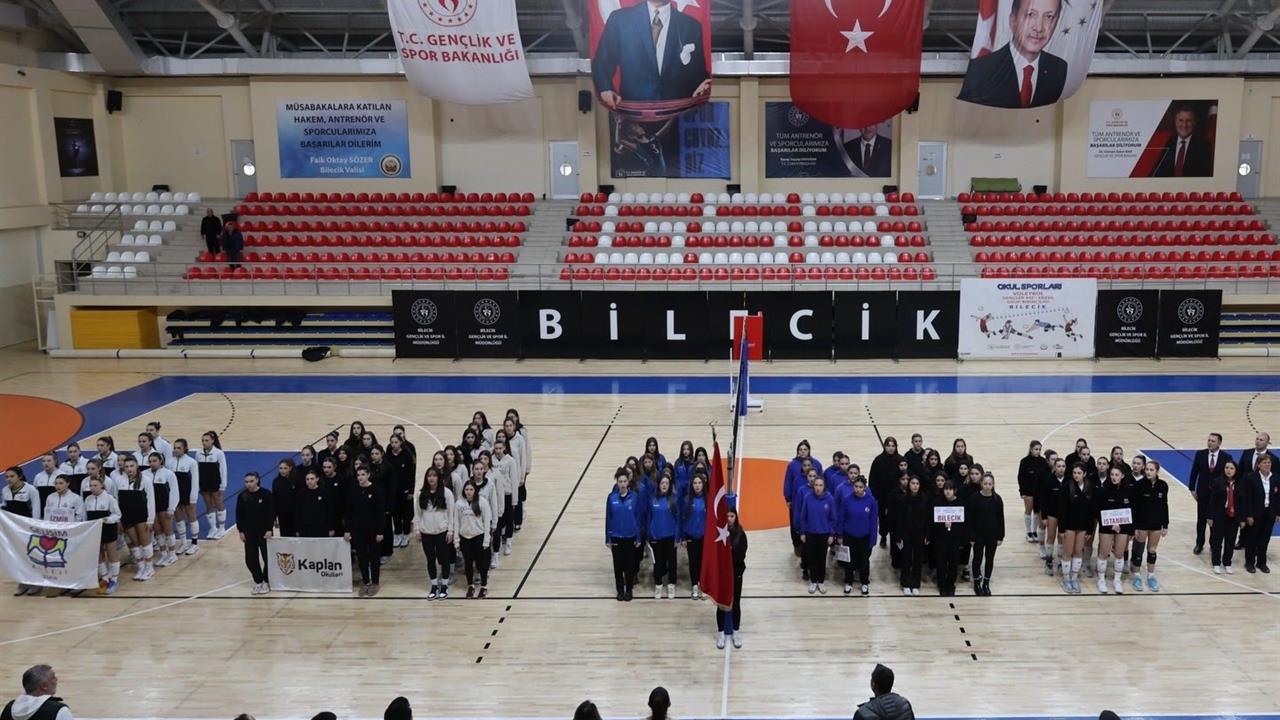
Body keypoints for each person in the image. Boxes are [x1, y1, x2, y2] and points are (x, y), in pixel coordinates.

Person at [591, 0, 711, 111]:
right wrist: (605, 88)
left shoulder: (691, 26)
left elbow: (698, 74)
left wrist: (703, 84)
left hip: (677, 113)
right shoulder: (620, 20)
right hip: (630, 111)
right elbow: (602, 62)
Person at [958, 0, 1067, 109]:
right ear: (1013, 20)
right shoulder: (983, 69)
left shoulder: (1059, 68)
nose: (1039, 28)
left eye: (1049, 17)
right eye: (1031, 14)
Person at [415, 467, 455, 600]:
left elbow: (451, 513)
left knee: (444, 559)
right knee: (430, 559)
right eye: (429, 476)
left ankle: (444, 585)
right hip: (426, 532)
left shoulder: (447, 493)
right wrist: (417, 530)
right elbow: (417, 514)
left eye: (434, 475)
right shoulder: (420, 494)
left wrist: (450, 531)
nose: (431, 478)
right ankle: (433, 586)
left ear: (438, 478)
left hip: (442, 532)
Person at [1130, 459, 1170, 590]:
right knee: (1139, 550)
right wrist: (1134, 526)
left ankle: (1151, 576)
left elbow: (1164, 505)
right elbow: (1134, 507)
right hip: (1142, 524)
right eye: (1147, 469)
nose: (1148, 472)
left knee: (1152, 550)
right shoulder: (1139, 485)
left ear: (1157, 471)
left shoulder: (1163, 485)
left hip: (1156, 524)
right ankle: (1136, 575)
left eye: (1151, 470)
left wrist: (1165, 524)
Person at [347, 466, 386, 597]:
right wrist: (348, 530)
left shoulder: (376, 490)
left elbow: (380, 513)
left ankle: (375, 582)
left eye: (363, 474)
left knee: (374, 556)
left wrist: (380, 531)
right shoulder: (353, 490)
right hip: (358, 530)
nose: (360, 477)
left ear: (368, 475)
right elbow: (350, 512)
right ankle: (366, 581)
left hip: (373, 530)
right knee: (361, 556)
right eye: (358, 475)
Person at [836, 475, 878, 596]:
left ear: (865, 487)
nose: (858, 489)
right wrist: (840, 535)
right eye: (856, 486)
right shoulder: (847, 500)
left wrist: (873, 539)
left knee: (864, 561)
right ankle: (848, 582)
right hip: (849, 536)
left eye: (860, 487)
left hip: (865, 537)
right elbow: (841, 518)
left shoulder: (871, 501)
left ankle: (864, 582)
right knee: (849, 561)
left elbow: (874, 521)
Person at [1094, 467, 1133, 595]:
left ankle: (1117, 580)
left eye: (1117, 475)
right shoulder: (1103, 491)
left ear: (1122, 476)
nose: (1114, 477)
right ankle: (1101, 579)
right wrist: (1111, 523)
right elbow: (1098, 510)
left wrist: (1130, 529)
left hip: (1123, 527)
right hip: (1106, 527)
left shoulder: (1128, 491)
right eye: (1112, 474)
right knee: (1104, 553)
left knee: (1119, 554)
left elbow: (1131, 511)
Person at [116, 457, 156, 582]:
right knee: (134, 543)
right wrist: (118, 519)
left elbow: (151, 500)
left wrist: (150, 519)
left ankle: (149, 568)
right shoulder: (119, 481)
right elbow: (116, 501)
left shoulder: (145, 480)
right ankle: (141, 567)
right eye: (126, 467)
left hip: (141, 515)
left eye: (131, 466)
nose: (129, 469)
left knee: (145, 542)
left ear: (137, 466)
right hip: (126, 516)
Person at [235, 472, 274, 595]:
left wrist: (269, 529)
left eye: (251, 481)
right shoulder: (242, 496)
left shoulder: (266, 494)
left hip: (264, 531)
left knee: (267, 557)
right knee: (250, 558)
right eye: (246, 482)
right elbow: (239, 514)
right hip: (249, 532)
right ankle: (258, 581)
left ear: (257, 480)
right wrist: (241, 531)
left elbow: (271, 513)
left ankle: (266, 581)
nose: (249, 484)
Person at [606, 468, 641, 601]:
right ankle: (620, 590)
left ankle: (629, 590)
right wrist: (608, 538)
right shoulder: (611, 498)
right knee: (618, 566)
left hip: (630, 537)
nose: (622, 484)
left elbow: (638, 518)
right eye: (620, 481)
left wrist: (638, 537)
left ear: (628, 482)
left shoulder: (634, 497)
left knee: (629, 566)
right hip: (616, 537)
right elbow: (608, 518)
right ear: (617, 482)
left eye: (624, 481)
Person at [1189, 432, 1226, 555]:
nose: (1210, 443)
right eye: (1209, 440)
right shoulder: (1200, 454)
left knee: (1215, 520)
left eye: (1213, 441)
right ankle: (1199, 543)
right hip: (1202, 493)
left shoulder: (1226, 457)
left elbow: (1228, 475)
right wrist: (1192, 488)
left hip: (1217, 494)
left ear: (1219, 443)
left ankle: (1213, 544)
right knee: (1201, 520)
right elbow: (1194, 471)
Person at [715, 506, 747, 649]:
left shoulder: (741, 534)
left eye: (732, 516)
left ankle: (736, 632)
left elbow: (742, 554)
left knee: (736, 602)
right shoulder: (719, 533)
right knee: (721, 603)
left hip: (736, 572)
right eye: (727, 516)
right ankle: (721, 633)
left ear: (736, 517)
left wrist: (730, 553)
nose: (729, 519)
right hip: (722, 573)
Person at [799, 475, 837, 594]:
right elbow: (803, 517)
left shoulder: (829, 499)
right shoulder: (808, 498)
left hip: (824, 534)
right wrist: (803, 532)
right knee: (812, 558)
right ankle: (813, 581)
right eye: (816, 485)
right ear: (813, 486)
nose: (818, 488)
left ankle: (821, 581)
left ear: (824, 486)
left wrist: (831, 534)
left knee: (821, 558)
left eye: (820, 485)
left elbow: (833, 518)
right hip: (810, 533)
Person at [967, 472, 1004, 595]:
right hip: (978, 534)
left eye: (990, 484)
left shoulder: (997, 499)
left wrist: (1000, 536)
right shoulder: (974, 498)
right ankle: (977, 581)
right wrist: (971, 536)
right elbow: (970, 519)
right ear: (981, 484)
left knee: (989, 559)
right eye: (985, 483)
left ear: (993, 485)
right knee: (977, 558)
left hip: (992, 534)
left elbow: (1000, 518)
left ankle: (986, 583)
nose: (987, 486)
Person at [454, 480, 492, 599]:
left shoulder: (482, 502)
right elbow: (456, 522)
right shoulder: (459, 504)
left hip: (478, 536)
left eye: (471, 489)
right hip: (465, 538)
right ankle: (470, 585)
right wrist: (456, 540)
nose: (469, 492)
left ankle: (484, 586)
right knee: (468, 563)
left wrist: (486, 540)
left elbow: (487, 522)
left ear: (475, 490)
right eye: (466, 489)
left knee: (481, 563)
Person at [1152, 106, 1214, 178]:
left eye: (1188, 121)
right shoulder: (1166, 143)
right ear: (1175, 122)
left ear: (1194, 123)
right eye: (1181, 120)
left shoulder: (1203, 146)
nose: (1184, 125)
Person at [930, 481, 967, 596]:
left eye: (950, 489)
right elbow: (933, 522)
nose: (947, 491)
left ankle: (950, 584)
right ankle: (941, 584)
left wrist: (955, 528)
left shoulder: (961, 503)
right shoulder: (937, 503)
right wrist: (943, 525)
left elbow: (964, 523)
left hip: (955, 539)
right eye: (946, 489)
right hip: (941, 538)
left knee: (953, 563)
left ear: (954, 490)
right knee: (941, 562)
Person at [895, 476, 931, 596]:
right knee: (905, 558)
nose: (915, 486)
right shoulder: (903, 499)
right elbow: (899, 519)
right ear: (909, 485)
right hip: (906, 533)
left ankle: (915, 584)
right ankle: (905, 583)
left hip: (920, 533)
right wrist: (898, 536)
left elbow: (928, 519)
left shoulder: (925, 499)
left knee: (918, 559)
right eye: (913, 483)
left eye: (917, 483)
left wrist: (927, 534)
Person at [1242, 454, 1276, 574]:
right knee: (1252, 539)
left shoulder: (1275, 478)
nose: (1267, 465)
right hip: (1255, 514)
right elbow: (1247, 498)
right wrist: (1249, 515)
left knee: (1265, 539)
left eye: (1269, 462)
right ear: (1258, 465)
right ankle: (1249, 562)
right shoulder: (1250, 478)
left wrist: (1277, 513)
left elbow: (1278, 497)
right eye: (1264, 462)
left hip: (1269, 514)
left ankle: (1261, 563)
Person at [1207, 459, 1242, 574]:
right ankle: (1216, 563)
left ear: (1236, 470)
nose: (1229, 470)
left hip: (1234, 517)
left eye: (1231, 468)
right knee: (1217, 541)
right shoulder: (1217, 482)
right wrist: (1210, 516)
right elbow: (1212, 500)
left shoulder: (1240, 483)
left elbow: (1242, 502)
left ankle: (1227, 562)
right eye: (1227, 468)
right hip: (1220, 516)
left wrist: (1242, 518)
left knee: (1230, 542)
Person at [3, 665, 73, 720]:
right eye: (53, 677)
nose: (56, 679)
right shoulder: (59, 710)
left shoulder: (9, 708)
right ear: (44, 686)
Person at [167, 439, 200, 555]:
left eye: (179, 448)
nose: (176, 450)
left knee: (191, 517)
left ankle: (194, 543)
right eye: (175, 448)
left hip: (187, 492)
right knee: (179, 518)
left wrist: (193, 497)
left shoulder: (191, 462)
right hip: (175, 493)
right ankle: (183, 542)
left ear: (185, 448)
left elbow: (195, 481)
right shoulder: (170, 462)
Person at [868, 437, 902, 548]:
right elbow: (872, 479)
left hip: (897, 496)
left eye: (893, 446)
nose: (891, 448)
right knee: (883, 518)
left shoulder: (900, 460)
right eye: (888, 446)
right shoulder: (878, 460)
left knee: (896, 517)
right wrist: (874, 495)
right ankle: (883, 535)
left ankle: (896, 536)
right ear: (885, 447)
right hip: (882, 496)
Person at [196, 431, 228, 540]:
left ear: (212, 441)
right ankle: (213, 528)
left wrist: (223, 486)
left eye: (206, 440)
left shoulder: (218, 453)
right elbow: (197, 470)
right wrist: (197, 485)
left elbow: (223, 469)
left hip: (215, 482)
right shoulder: (198, 453)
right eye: (202, 440)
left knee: (218, 504)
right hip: (204, 482)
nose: (204, 442)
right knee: (208, 505)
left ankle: (222, 528)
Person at [681, 473, 707, 598]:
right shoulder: (687, 500)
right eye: (695, 483)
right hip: (691, 536)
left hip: (704, 537)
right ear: (692, 485)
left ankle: (703, 585)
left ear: (703, 484)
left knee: (703, 562)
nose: (697, 485)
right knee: (693, 562)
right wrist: (683, 537)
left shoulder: (708, 499)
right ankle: (694, 586)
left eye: (699, 483)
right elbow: (682, 519)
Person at [1017, 441, 1048, 543]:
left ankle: (1034, 531)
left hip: (1039, 491)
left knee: (1037, 511)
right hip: (1028, 490)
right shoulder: (1024, 461)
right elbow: (1020, 477)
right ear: (1031, 449)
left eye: (1039, 449)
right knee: (1028, 510)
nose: (1038, 451)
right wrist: (1022, 491)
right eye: (1036, 449)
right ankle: (1028, 532)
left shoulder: (1043, 462)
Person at [296, 470, 336, 538]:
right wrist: (297, 529)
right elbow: (298, 512)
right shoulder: (301, 493)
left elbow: (330, 511)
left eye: (312, 479)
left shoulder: (324, 492)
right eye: (307, 479)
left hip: (321, 527)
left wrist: (331, 528)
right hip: (306, 528)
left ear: (317, 479)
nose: (309, 481)